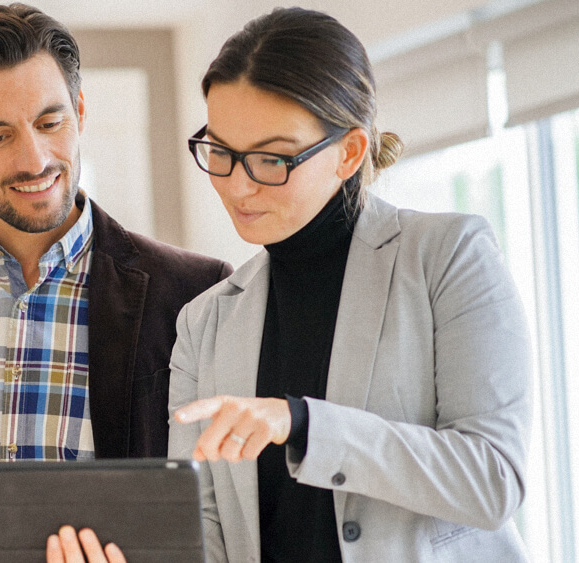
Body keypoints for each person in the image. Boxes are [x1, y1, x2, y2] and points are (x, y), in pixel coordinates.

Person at [0, 4, 232, 561]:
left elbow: (230, 507)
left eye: (51, 123)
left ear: (79, 110)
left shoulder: (195, 293)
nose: (35, 159)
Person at [165, 7, 531, 562]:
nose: (238, 185)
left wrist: (303, 423)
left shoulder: (448, 257)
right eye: (220, 152)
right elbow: (201, 525)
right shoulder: (205, 321)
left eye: (271, 158)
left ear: (350, 152)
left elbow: (492, 480)